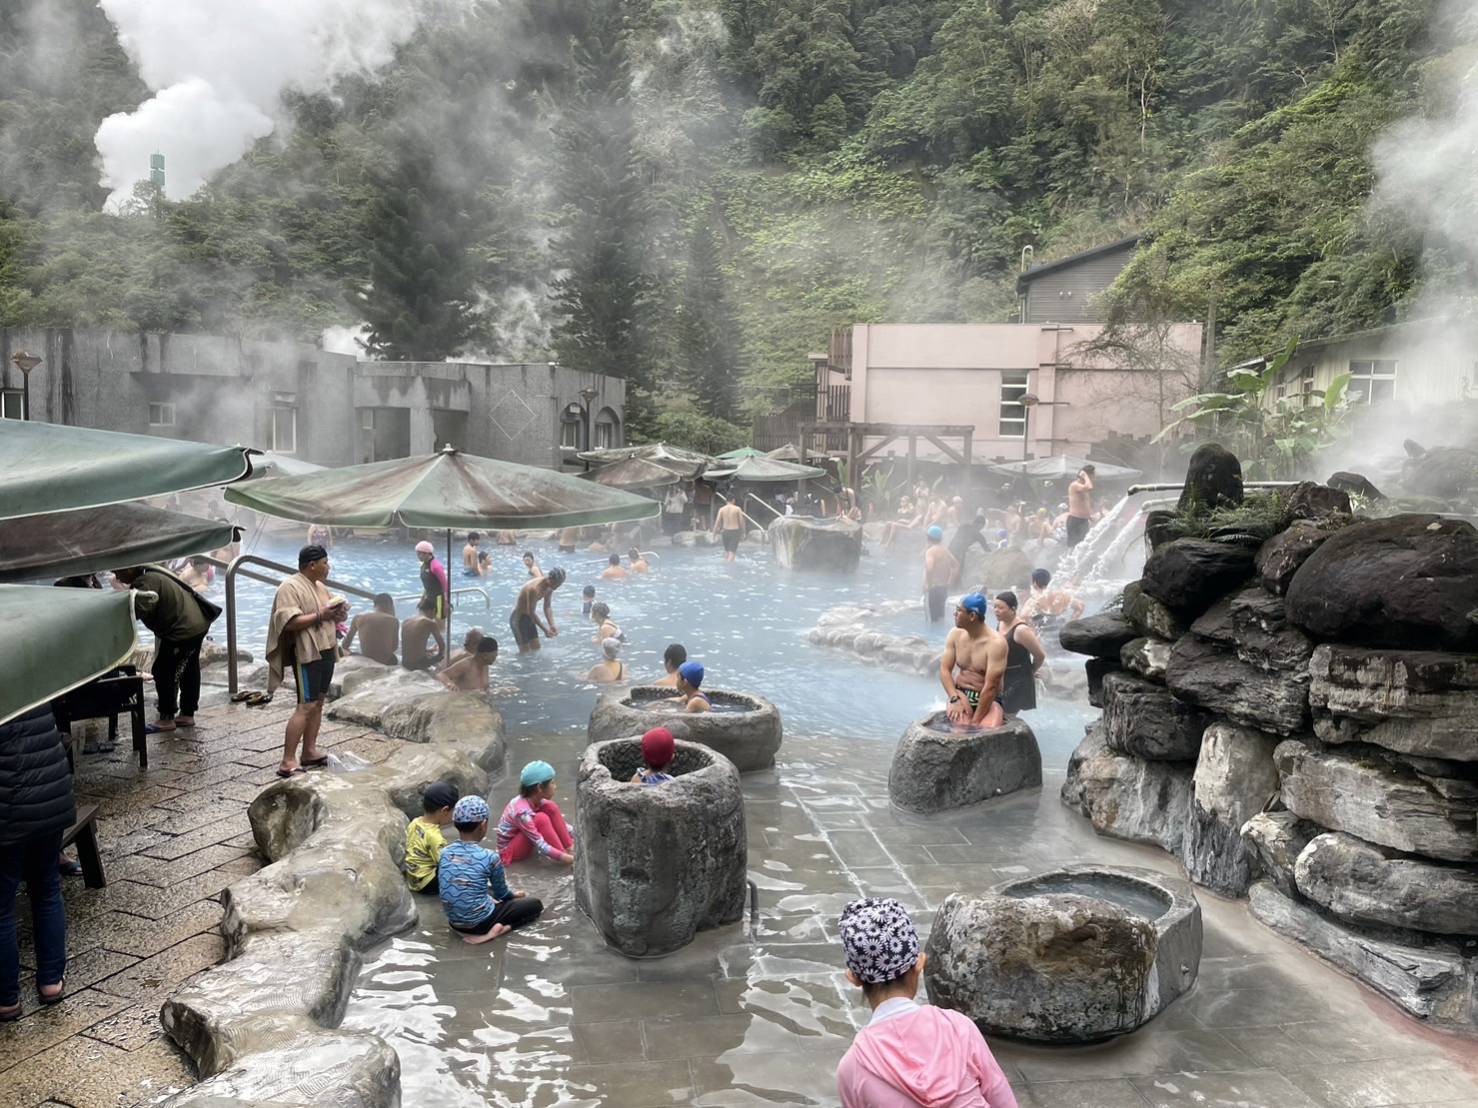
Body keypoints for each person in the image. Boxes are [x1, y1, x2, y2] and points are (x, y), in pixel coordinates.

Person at [835, 897, 1018, 1108]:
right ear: (919, 963)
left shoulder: (853, 1067)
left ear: (854, 977)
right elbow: (1003, 1100)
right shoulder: (958, 1028)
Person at [0, 705, 76, 1019]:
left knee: (1, 906)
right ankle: (50, 983)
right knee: (46, 889)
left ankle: (6, 998)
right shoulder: (33, 678)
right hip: (51, 798)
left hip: (7, 811)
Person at [266, 544, 347, 777]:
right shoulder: (289, 587)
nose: (328, 567)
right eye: (325, 563)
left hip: (326, 650)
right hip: (307, 653)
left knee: (319, 702)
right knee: (306, 705)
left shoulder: (320, 586)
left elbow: (329, 612)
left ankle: (309, 751)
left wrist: (339, 613)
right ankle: (287, 760)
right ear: (312, 565)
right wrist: (321, 615)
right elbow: (288, 622)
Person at [112, 563, 218, 734]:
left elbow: (137, 611)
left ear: (130, 568)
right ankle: (187, 713)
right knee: (189, 668)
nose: (117, 577)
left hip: (182, 630)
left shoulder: (145, 582)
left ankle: (166, 717)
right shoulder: (153, 573)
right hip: (197, 623)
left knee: (163, 670)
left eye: (118, 571)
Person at [439, 796, 544, 945]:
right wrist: (514, 896)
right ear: (483, 825)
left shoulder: (444, 853)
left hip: (454, 922)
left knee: (483, 889)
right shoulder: (490, 857)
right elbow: (502, 894)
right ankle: (498, 931)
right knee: (535, 905)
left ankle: (490, 923)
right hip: (480, 924)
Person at [939, 593, 1007, 728]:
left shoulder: (996, 643)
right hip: (961, 694)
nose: (954, 614)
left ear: (972, 616)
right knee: (960, 729)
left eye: (959, 610)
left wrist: (975, 722)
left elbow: (991, 686)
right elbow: (944, 669)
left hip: (990, 699)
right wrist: (954, 698)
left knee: (985, 731)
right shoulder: (955, 634)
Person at [497, 761, 575, 865]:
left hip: (525, 837)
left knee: (550, 807)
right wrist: (566, 858)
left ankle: (570, 848)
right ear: (539, 788)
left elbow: (562, 826)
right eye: (552, 783)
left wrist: (577, 835)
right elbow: (540, 844)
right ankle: (566, 858)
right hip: (508, 852)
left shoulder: (537, 801)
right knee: (541, 819)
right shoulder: (522, 813)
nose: (555, 786)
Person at [993, 591, 1046, 716]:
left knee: (1005, 716)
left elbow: (1040, 655)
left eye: (1000, 607)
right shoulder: (1001, 623)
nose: (996, 610)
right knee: (994, 713)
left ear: (1013, 609)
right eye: (995, 607)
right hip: (1002, 675)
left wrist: (1030, 671)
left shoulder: (1021, 630)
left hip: (1017, 680)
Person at [404, 781, 459, 895]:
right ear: (445, 810)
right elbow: (446, 865)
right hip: (426, 884)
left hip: (413, 878)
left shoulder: (415, 822)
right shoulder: (435, 837)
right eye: (454, 811)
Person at [508, 568, 565, 654]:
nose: (557, 587)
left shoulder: (550, 587)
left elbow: (547, 606)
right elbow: (531, 612)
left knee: (536, 648)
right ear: (550, 579)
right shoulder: (534, 588)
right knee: (525, 652)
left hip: (529, 618)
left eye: (559, 585)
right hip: (518, 619)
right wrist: (545, 630)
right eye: (556, 584)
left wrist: (551, 624)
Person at [342, 593, 400, 666]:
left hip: (366, 658)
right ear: (390, 605)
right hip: (385, 661)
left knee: (345, 651)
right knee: (394, 659)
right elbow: (394, 647)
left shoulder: (358, 618)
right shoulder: (393, 620)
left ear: (374, 605)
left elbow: (345, 645)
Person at [922, 526, 958, 623]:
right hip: (943, 588)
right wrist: (950, 581)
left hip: (934, 588)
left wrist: (928, 584)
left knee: (933, 619)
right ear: (941, 538)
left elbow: (930, 568)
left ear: (928, 538)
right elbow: (956, 565)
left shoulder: (930, 551)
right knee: (941, 618)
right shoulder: (945, 550)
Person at [401, 598, 447, 670]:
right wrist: (439, 656)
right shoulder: (429, 622)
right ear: (434, 610)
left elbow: (410, 645)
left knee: (429, 653)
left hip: (405, 663)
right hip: (418, 665)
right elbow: (442, 646)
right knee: (442, 658)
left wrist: (426, 650)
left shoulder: (406, 621)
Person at [947, 510, 988, 585]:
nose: (981, 528)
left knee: (948, 569)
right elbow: (987, 549)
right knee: (958, 569)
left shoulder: (963, 526)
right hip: (959, 553)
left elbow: (961, 539)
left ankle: (947, 585)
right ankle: (955, 587)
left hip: (949, 550)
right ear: (980, 525)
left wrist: (967, 548)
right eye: (982, 526)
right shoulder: (978, 534)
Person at [416, 540, 450, 622]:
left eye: (420, 553)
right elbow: (428, 584)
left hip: (439, 599)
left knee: (439, 625)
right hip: (429, 597)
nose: (418, 556)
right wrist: (423, 597)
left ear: (427, 553)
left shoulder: (436, 566)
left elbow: (445, 584)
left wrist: (446, 602)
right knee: (422, 621)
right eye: (417, 553)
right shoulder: (424, 565)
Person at [1066, 464, 1095, 547]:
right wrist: (1086, 476)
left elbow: (1084, 503)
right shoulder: (1075, 485)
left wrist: (1089, 515)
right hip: (1075, 520)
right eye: (1093, 476)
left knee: (1083, 545)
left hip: (1084, 520)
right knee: (1073, 546)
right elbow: (1089, 487)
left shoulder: (1083, 487)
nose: (1094, 478)